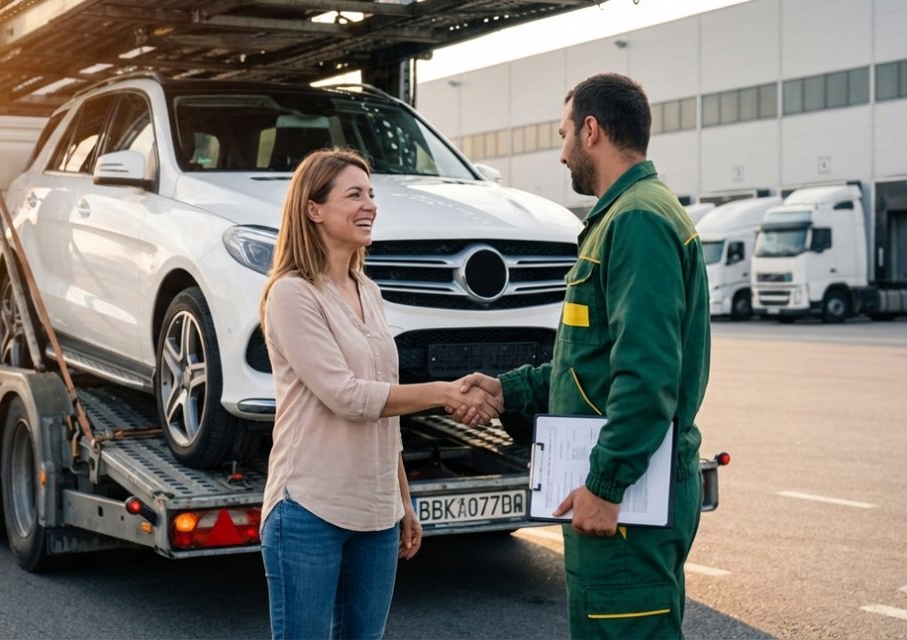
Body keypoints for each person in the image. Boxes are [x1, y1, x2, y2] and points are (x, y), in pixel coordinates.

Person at [456, 73, 710, 639]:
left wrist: (606, 485)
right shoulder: (621, 217)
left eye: (565, 133)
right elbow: (592, 359)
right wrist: (509, 390)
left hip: (627, 503)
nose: (561, 151)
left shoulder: (638, 221)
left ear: (591, 131)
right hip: (620, 497)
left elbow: (647, 377)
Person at [258, 148, 501, 640]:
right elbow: (347, 396)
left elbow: (383, 411)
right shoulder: (292, 294)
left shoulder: (367, 288)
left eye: (371, 194)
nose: (369, 204)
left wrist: (403, 501)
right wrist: (442, 392)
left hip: (376, 513)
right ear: (314, 209)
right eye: (354, 195)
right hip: (309, 507)